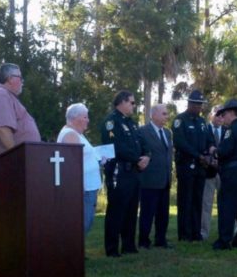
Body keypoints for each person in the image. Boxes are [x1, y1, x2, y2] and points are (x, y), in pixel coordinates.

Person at [0, 63, 41, 274]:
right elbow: (3, 130)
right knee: (0, 218)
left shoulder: (4, 96)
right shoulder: (1, 96)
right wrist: (18, 158)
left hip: (4, 171)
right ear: (8, 79)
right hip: (4, 170)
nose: (22, 81)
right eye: (19, 77)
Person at [101, 90, 150, 257]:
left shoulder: (132, 123)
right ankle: (112, 248)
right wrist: (137, 158)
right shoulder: (111, 122)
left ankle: (129, 245)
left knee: (131, 210)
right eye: (132, 102)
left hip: (134, 172)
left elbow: (142, 142)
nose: (134, 106)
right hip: (119, 172)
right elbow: (116, 147)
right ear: (122, 102)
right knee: (117, 210)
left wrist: (146, 157)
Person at [210, 99, 237, 250]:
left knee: (227, 206)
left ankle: (224, 240)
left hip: (233, 172)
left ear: (230, 113)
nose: (223, 118)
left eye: (224, 114)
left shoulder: (231, 130)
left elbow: (224, 151)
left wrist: (214, 151)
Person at [172, 90, 214, 242]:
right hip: (186, 166)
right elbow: (180, 143)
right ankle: (184, 233)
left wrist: (209, 153)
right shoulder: (180, 120)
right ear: (189, 104)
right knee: (186, 200)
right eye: (196, 104)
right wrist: (199, 156)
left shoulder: (202, 122)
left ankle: (196, 233)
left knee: (198, 200)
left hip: (201, 167)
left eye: (201, 105)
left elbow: (210, 140)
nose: (199, 107)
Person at [57, 103, 102, 236]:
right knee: (82, 223)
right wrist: (79, 186)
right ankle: (72, 253)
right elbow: (73, 163)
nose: (88, 120)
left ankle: (76, 253)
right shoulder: (70, 135)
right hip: (83, 188)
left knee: (86, 222)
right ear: (75, 118)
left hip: (89, 187)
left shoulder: (77, 134)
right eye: (85, 117)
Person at [138, 104, 173, 249]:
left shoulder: (167, 133)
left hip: (165, 179)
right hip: (149, 179)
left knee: (163, 213)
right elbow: (142, 153)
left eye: (167, 114)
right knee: (147, 212)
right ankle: (144, 241)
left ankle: (161, 239)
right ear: (154, 115)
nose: (167, 116)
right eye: (164, 114)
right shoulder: (143, 132)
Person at [201, 105, 224, 240]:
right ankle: (204, 232)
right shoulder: (204, 129)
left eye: (222, 115)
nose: (219, 118)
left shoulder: (228, 131)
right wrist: (208, 160)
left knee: (225, 203)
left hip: (223, 172)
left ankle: (225, 231)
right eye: (217, 115)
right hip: (208, 172)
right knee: (206, 203)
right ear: (211, 115)